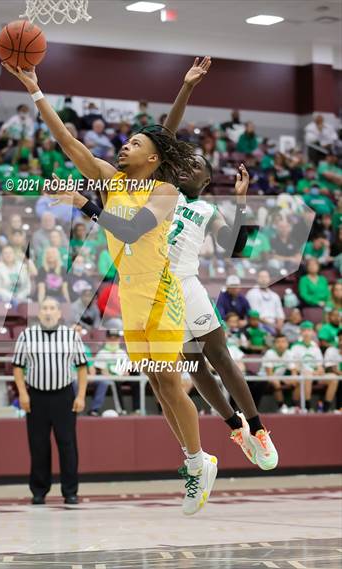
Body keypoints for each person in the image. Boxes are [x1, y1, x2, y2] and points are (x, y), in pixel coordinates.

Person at [3, 60, 218, 517]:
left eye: (135, 143)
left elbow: (132, 231)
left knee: (169, 379)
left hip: (161, 291)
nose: (124, 146)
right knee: (158, 384)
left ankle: (199, 461)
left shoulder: (164, 193)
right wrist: (36, 90)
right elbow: (68, 141)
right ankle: (195, 461)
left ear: (153, 158)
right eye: (125, 140)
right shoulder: (111, 178)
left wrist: (85, 206)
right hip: (131, 294)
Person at [159, 56, 277, 470]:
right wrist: (187, 86)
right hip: (158, 292)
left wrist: (243, 205)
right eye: (183, 162)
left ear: (205, 180)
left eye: (195, 165)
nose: (185, 165)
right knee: (193, 366)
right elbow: (165, 136)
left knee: (219, 357)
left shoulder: (207, 208)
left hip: (187, 283)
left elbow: (239, 248)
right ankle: (235, 427)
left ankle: (259, 428)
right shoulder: (161, 194)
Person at [12, 297, 88, 504]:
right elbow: (17, 367)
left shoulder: (71, 336)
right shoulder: (27, 335)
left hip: (64, 396)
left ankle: (70, 491)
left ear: (59, 313)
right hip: (36, 397)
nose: (48, 311)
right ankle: (39, 491)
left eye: (52, 308)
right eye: (44, 308)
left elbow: (82, 367)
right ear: (39, 313)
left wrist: (81, 396)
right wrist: (23, 393)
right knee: (38, 446)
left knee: (68, 445)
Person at [290, 321, 329, 411]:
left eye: (309, 330)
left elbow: (320, 365)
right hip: (303, 374)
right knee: (307, 376)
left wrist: (319, 370)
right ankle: (307, 406)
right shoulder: (295, 346)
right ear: (301, 332)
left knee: (334, 378)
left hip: (315, 374)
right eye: (304, 330)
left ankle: (327, 408)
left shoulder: (315, 346)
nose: (307, 333)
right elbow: (294, 365)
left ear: (313, 332)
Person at [91, 329, 129, 416]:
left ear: (119, 340)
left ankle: (136, 409)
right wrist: (113, 377)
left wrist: (124, 374)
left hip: (122, 378)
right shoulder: (102, 353)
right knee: (113, 383)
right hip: (109, 378)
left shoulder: (122, 353)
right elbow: (103, 371)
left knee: (136, 382)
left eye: (115, 339)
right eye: (111, 339)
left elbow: (126, 369)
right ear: (107, 339)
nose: (113, 341)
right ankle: (121, 409)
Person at [261, 334, 296, 412]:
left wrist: (293, 379)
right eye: (278, 342)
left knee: (296, 380)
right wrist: (283, 380)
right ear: (274, 344)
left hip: (279, 377)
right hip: (264, 378)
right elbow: (270, 374)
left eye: (283, 342)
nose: (281, 344)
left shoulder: (289, 353)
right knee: (276, 382)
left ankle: (295, 406)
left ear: (287, 344)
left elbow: (294, 371)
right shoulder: (269, 353)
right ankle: (282, 406)